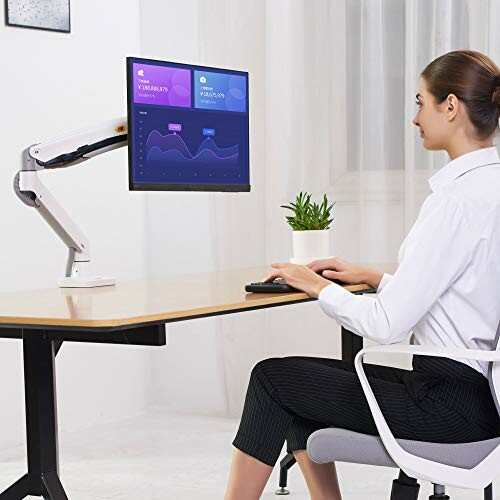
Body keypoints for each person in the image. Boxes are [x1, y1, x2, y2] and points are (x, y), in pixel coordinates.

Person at [224, 50, 500, 500]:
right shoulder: (490, 187)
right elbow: (462, 294)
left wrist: (316, 286)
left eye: (420, 103)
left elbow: (386, 326)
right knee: (300, 386)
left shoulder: (456, 202)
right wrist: (376, 278)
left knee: (271, 381)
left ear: (450, 107)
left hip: (444, 407)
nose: (415, 119)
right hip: (474, 397)